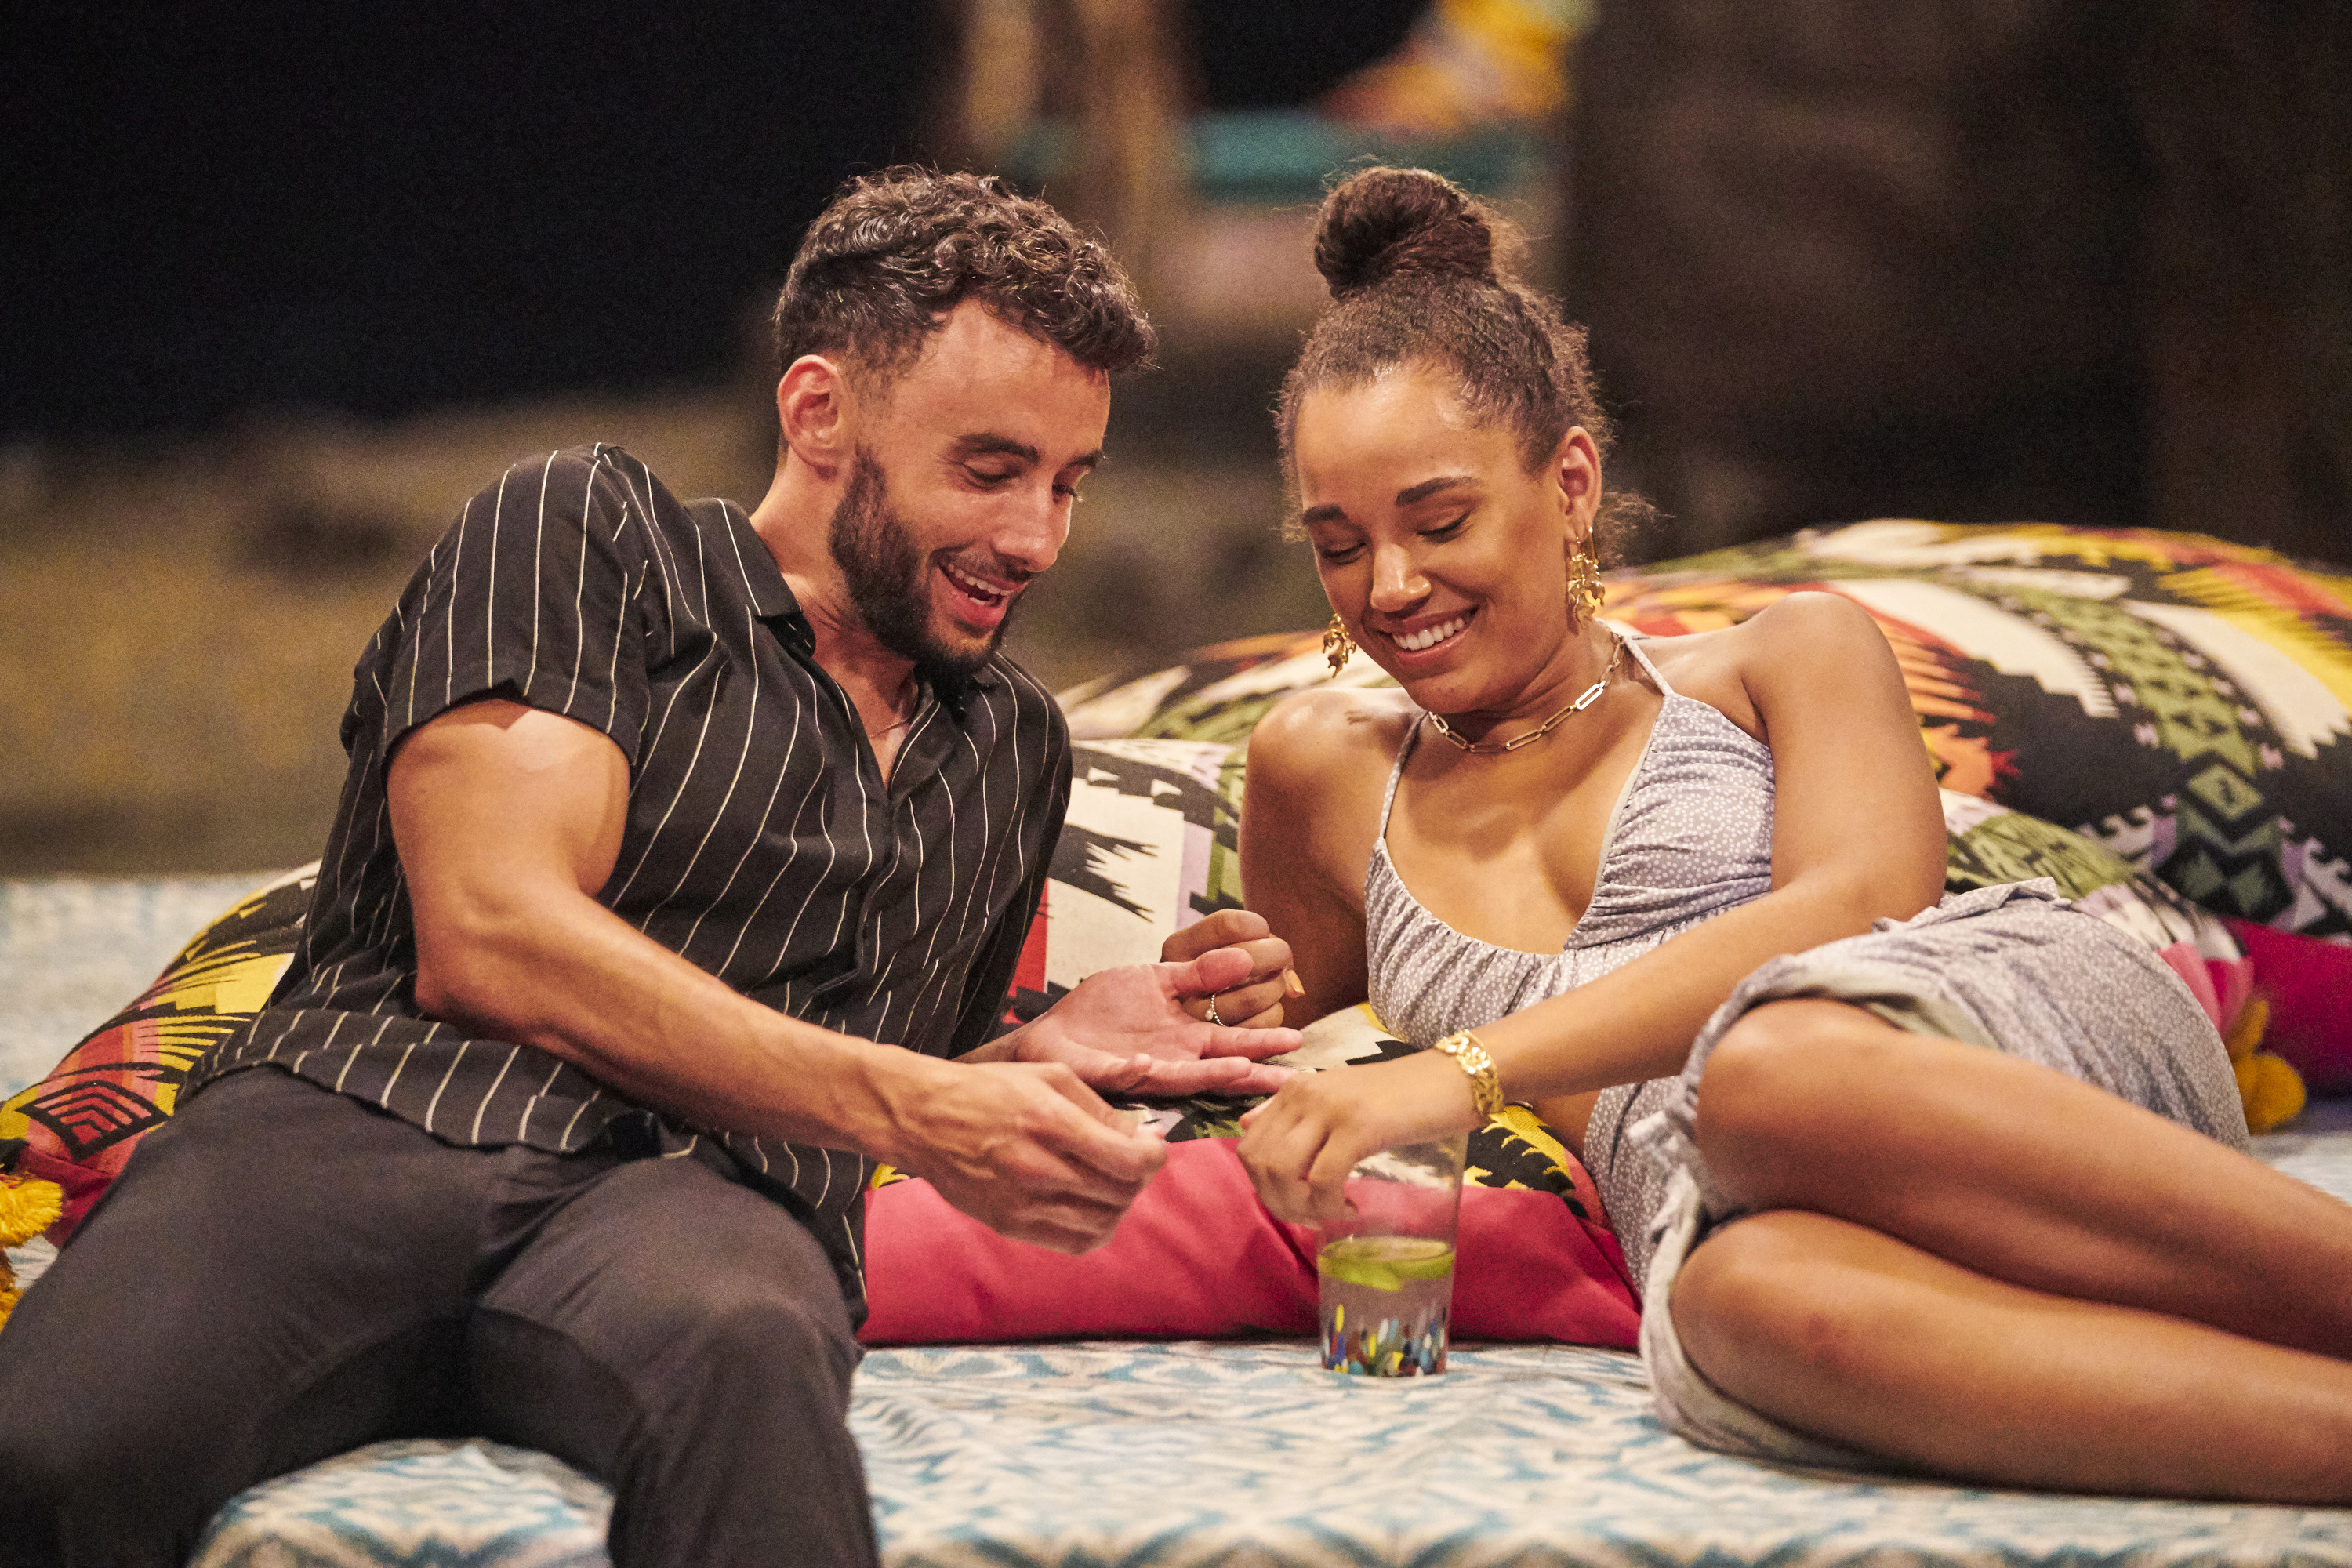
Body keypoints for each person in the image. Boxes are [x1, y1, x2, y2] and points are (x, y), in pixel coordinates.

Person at [0, 168, 1301, 1566]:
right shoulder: (594, 538)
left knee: (753, 1381)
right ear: (819, 413)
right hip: (363, 1132)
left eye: (1067, 484)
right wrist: (924, 1103)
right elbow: (492, 937)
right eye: (990, 471)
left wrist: (1034, 1052)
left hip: (699, 1211)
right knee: (48, 1455)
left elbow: (839, 1076)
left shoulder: (1008, 745)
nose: (1037, 537)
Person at [1233, 165, 2352, 1501]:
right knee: (1735, 1311)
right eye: (1339, 545)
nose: (1390, 585)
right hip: (1712, 1199)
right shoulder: (1318, 770)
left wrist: (1463, 1070)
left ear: (1571, 483)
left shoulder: (1784, 656)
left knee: (1764, 1069)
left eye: (1440, 521)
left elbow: (1863, 904)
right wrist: (1211, 1001)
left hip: (1979, 1065)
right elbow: (1282, 1039)